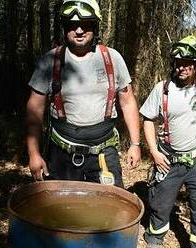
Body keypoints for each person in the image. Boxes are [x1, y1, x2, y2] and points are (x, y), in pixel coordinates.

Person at [26, 0, 140, 188]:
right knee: (64, 212)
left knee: (111, 209)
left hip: (104, 152)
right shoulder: (50, 61)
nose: (79, 31)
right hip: (62, 154)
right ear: (65, 28)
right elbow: (34, 109)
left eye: (85, 24)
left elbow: (128, 102)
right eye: (72, 26)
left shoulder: (112, 58)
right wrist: (34, 154)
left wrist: (135, 144)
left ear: (95, 26)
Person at [140, 35, 196, 247]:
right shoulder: (163, 88)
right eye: (178, 62)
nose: (182, 68)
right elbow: (148, 119)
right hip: (168, 158)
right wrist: (154, 153)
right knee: (161, 204)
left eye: (188, 63)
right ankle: (154, 238)